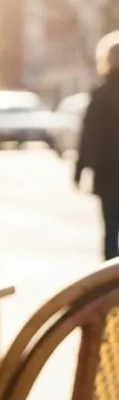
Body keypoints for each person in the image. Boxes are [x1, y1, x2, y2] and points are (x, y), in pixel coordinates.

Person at [76, 30, 119, 261]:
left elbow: (89, 135)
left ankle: (111, 286)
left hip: (109, 175)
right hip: (109, 173)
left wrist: (79, 170)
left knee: (111, 231)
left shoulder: (101, 94)